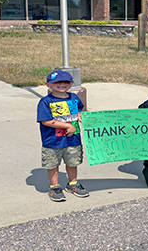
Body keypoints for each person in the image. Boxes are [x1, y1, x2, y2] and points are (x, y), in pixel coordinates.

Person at [37, 70, 90, 202]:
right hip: (53, 141)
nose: (62, 84)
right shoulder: (46, 101)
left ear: (71, 84)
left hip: (73, 139)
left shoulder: (74, 98)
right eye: (57, 82)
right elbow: (46, 121)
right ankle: (54, 186)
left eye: (66, 82)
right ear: (48, 85)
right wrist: (67, 126)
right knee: (53, 164)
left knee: (72, 162)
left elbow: (79, 109)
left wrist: (79, 115)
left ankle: (73, 183)